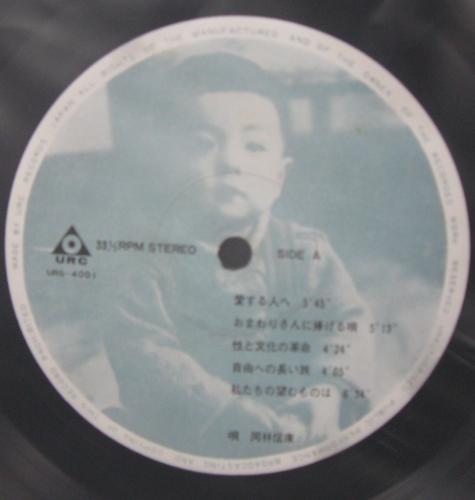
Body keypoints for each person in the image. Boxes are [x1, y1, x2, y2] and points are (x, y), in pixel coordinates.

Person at [102, 52, 374, 458]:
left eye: (254, 145)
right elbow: (145, 352)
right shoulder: (145, 260)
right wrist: (232, 415)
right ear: (169, 167)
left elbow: (347, 324)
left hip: (298, 424)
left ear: (280, 175)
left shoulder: (306, 249)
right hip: (187, 438)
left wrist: (329, 392)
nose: (230, 162)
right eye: (204, 144)